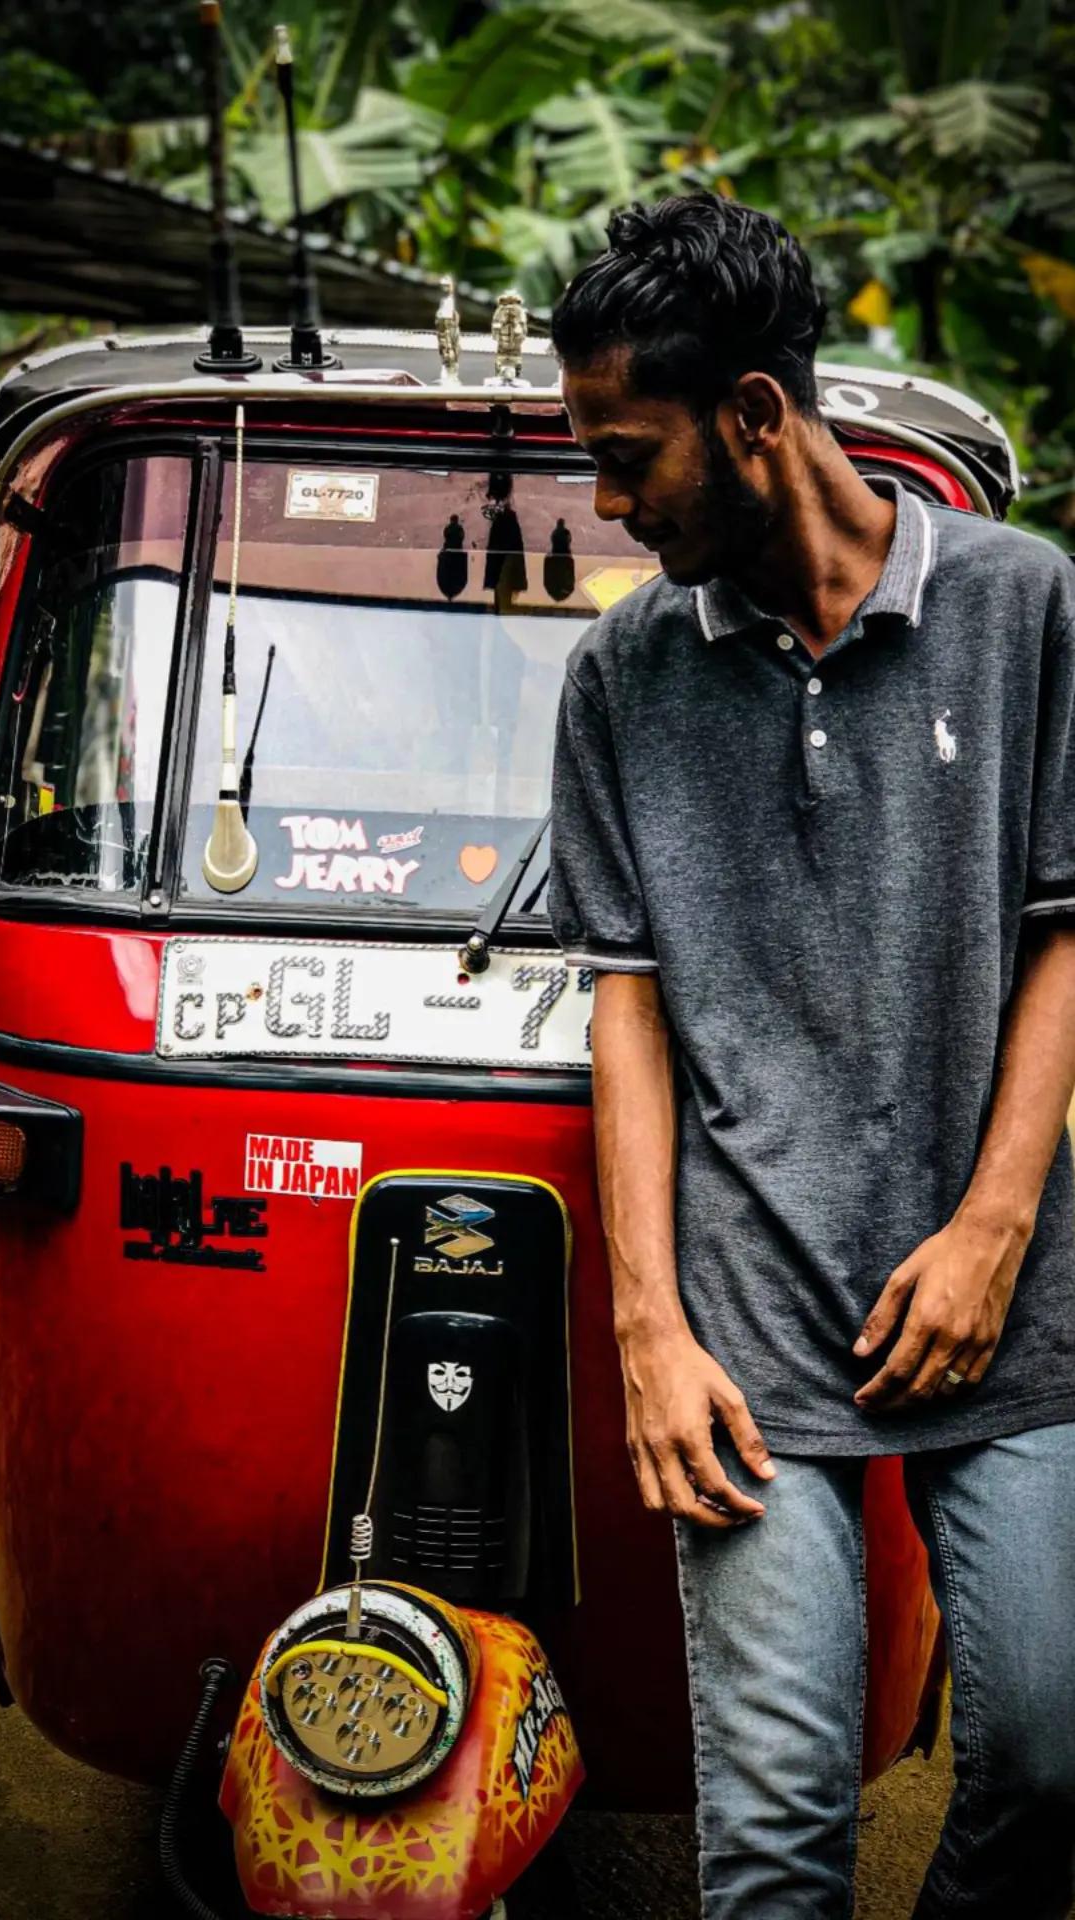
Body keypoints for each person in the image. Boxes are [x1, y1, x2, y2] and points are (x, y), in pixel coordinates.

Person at [547, 191, 1075, 1919]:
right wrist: (650, 1331)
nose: (609, 508)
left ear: (756, 414)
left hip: (1010, 1296)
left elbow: (1066, 932)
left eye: (627, 460)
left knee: (1050, 1762)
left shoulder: (1026, 607)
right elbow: (626, 1004)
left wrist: (993, 1226)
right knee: (775, 1831)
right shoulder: (622, 674)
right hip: (751, 1322)